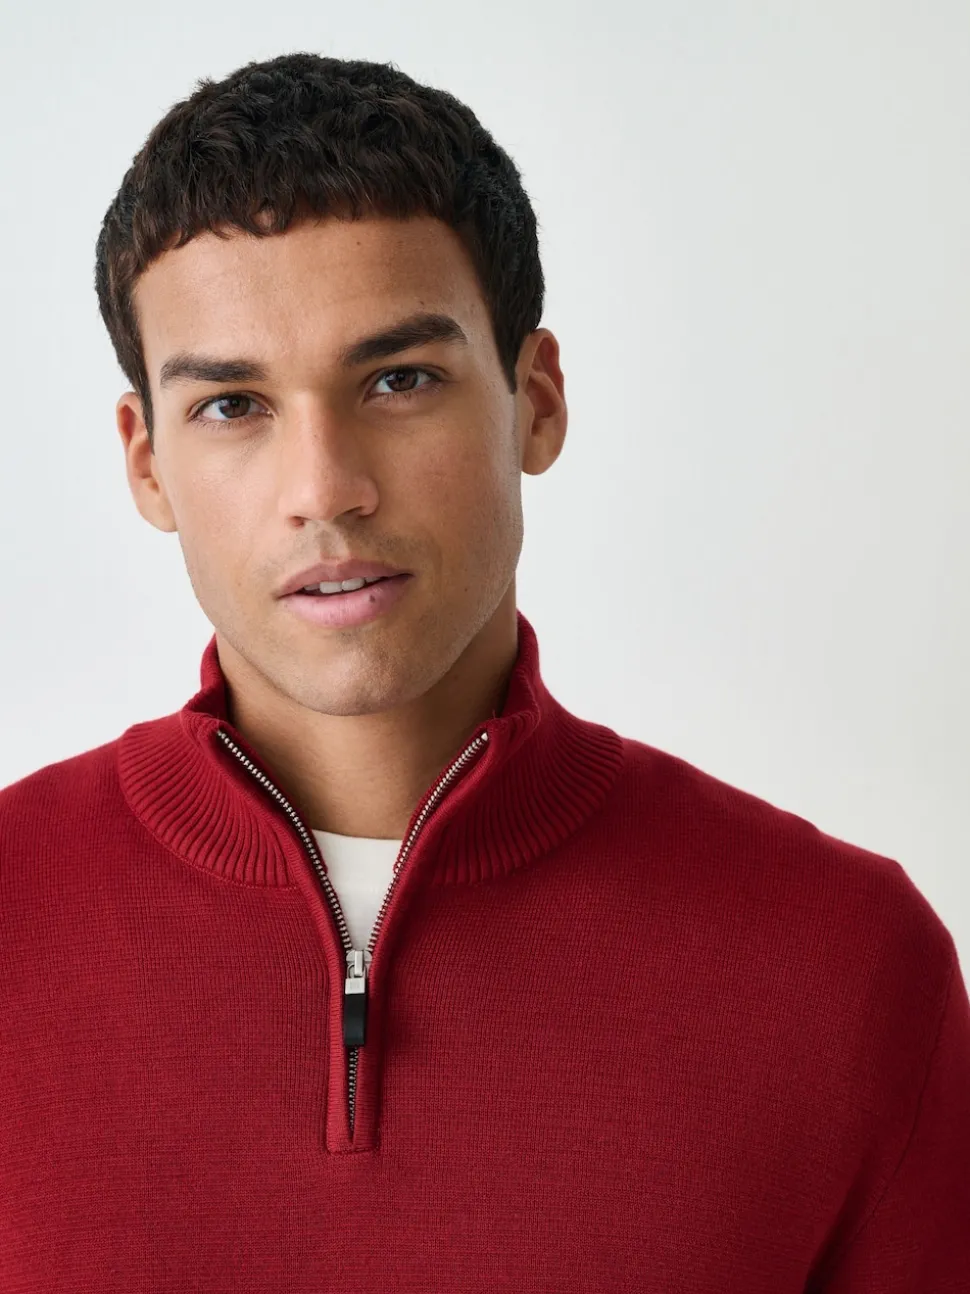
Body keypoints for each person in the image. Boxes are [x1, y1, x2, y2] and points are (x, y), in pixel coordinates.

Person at [0, 51, 966, 1293]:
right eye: (233, 405)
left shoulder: (841, 968)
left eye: (398, 380)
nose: (325, 489)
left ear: (536, 400)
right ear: (146, 462)